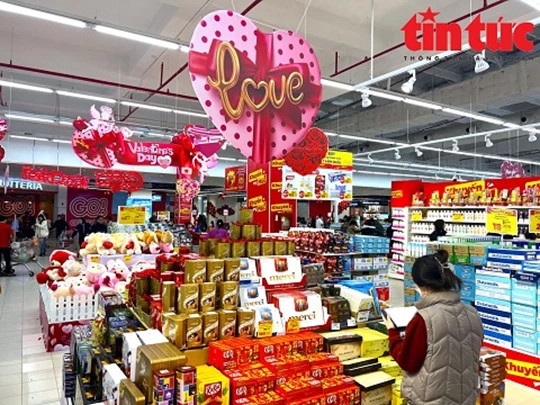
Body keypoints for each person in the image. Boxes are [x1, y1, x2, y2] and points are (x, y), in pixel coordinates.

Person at [383, 250, 483, 405]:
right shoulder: (473, 313)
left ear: (421, 286)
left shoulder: (423, 319)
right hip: (465, 396)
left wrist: (393, 333)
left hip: (430, 398)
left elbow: (408, 362)